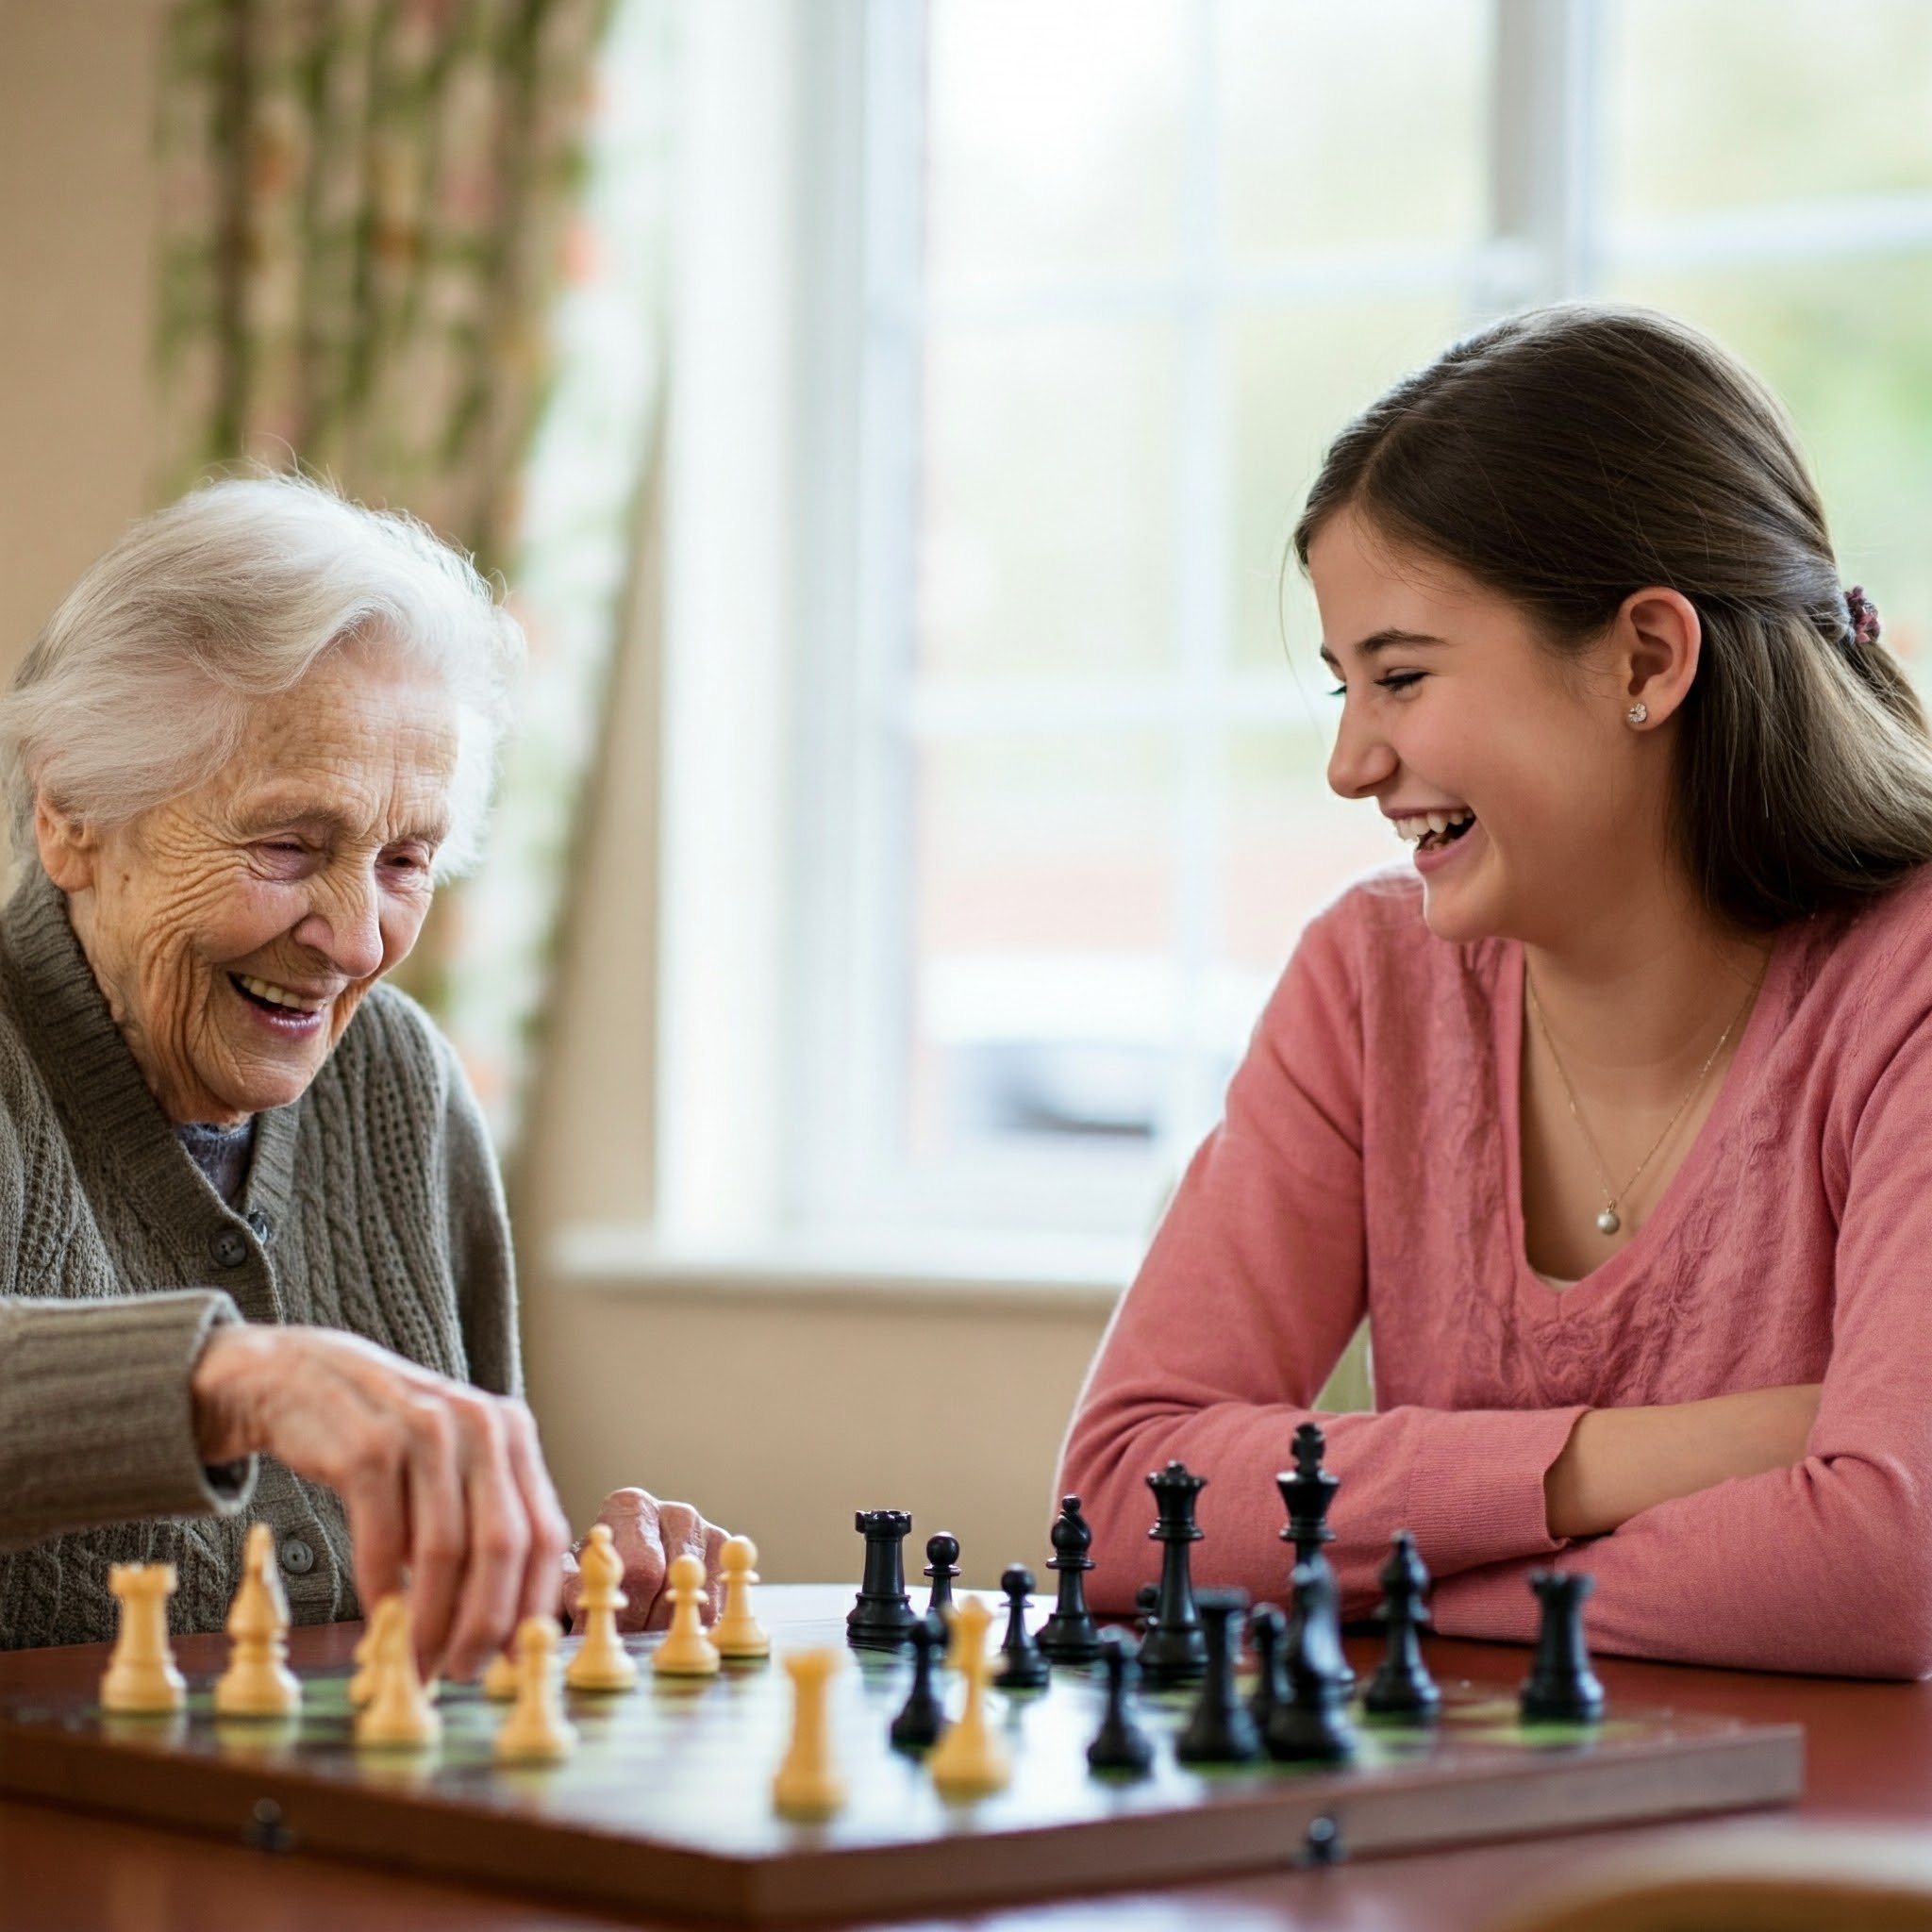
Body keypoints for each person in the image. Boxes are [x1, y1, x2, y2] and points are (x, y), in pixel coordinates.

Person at [1058, 304, 1932, 1680]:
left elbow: (1888, 1574)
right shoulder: (1369, 979)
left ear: (1647, 658)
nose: (1350, 763)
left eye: (1400, 676)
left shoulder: (1911, 988)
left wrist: (1362, 1583)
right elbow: (1118, 1501)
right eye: (1345, 686)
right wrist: (1635, 1464)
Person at [0, 476, 724, 1673]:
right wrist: (233, 1378)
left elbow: (435, 1598)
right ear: (72, 810)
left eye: (404, 859)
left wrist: (560, 1582)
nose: (353, 938)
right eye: (287, 845)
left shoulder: (396, 1082)